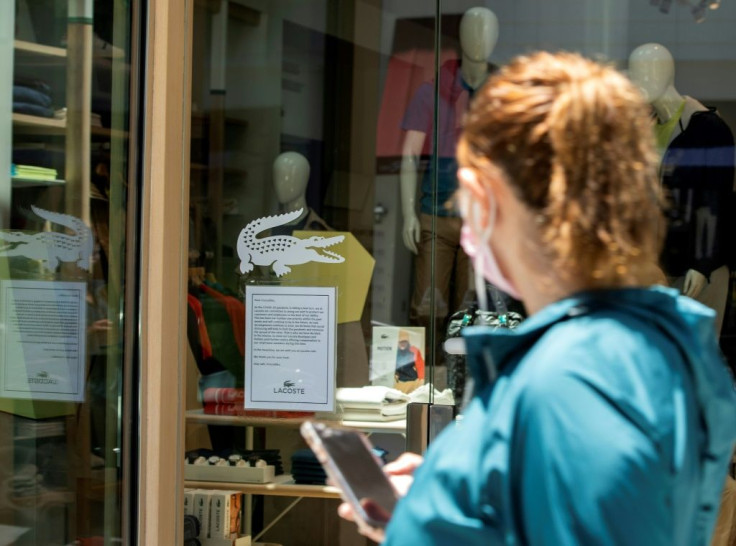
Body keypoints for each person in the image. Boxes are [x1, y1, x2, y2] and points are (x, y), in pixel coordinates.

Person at [338, 51, 736, 545]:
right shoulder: (664, 339)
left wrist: (418, 526)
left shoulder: (565, 377)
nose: (464, 231)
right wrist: (455, 494)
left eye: (467, 199)